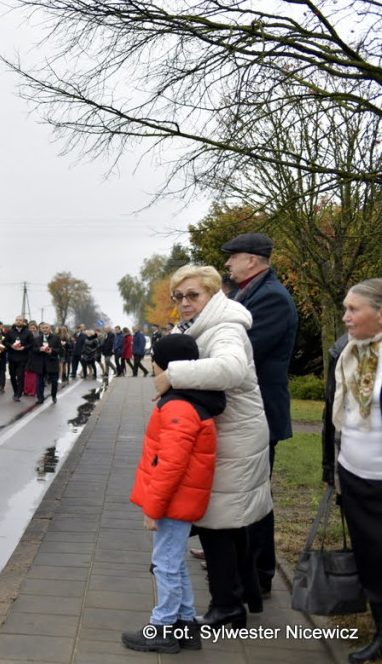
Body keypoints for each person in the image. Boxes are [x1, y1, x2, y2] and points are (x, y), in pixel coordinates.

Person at [153, 264, 272, 628]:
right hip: (221, 436)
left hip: (232, 438)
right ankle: (239, 598)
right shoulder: (199, 325)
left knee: (218, 526)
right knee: (227, 525)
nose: (185, 303)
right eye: (179, 297)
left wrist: (171, 376)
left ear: (212, 293)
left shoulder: (224, 327)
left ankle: (227, 607)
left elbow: (231, 369)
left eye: (193, 295)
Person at [122, 334, 225, 654]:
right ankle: (185, 624)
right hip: (181, 498)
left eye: (154, 359)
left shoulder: (178, 406)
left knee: (164, 563)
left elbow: (171, 464)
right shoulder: (188, 399)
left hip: (174, 500)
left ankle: (163, 627)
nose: (151, 365)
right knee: (173, 561)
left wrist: (153, 507)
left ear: (166, 365)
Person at [222, 232, 298, 597]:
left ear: (252, 259)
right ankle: (241, 561)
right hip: (249, 411)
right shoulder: (248, 293)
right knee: (243, 490)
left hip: (261, 412)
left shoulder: (270, 298)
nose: (227, 263)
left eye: (232, 257)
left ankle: (259, 573)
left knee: (255, 496)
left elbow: (244, 351)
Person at [322, 278, 382, 664]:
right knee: (371, 559)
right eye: (345, 308)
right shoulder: (349, 353)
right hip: (355, 476)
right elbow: (338, 415)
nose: (345, 317)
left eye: (353, 309)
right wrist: (333, 467)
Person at [27, 322, 63, 404]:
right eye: (43, 328)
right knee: (40, 382)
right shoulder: (36, 339)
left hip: (52, 362)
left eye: (46, 327)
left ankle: (54, 395)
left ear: (50, 329)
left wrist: (51, 351)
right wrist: (39, 349)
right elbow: (33, 350)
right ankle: (40, 398)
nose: (45, 329)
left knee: (54, 382)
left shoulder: (56, 338)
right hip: (41, 363)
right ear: (41, 329)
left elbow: (60, 350)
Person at [3, 315, 34, 402]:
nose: (18, 322)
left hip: (23, 357)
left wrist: (24, 347)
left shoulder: (28, 332)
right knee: (12, 376)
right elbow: (5, 342)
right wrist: (11, 346)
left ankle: (19, 394)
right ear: (15, 321)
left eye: (20, 320)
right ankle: (16, 391)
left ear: (23, 322)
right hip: (12, 357)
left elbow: (32, 344)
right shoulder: (10, 331)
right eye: (17, 320)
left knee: (20, 376)